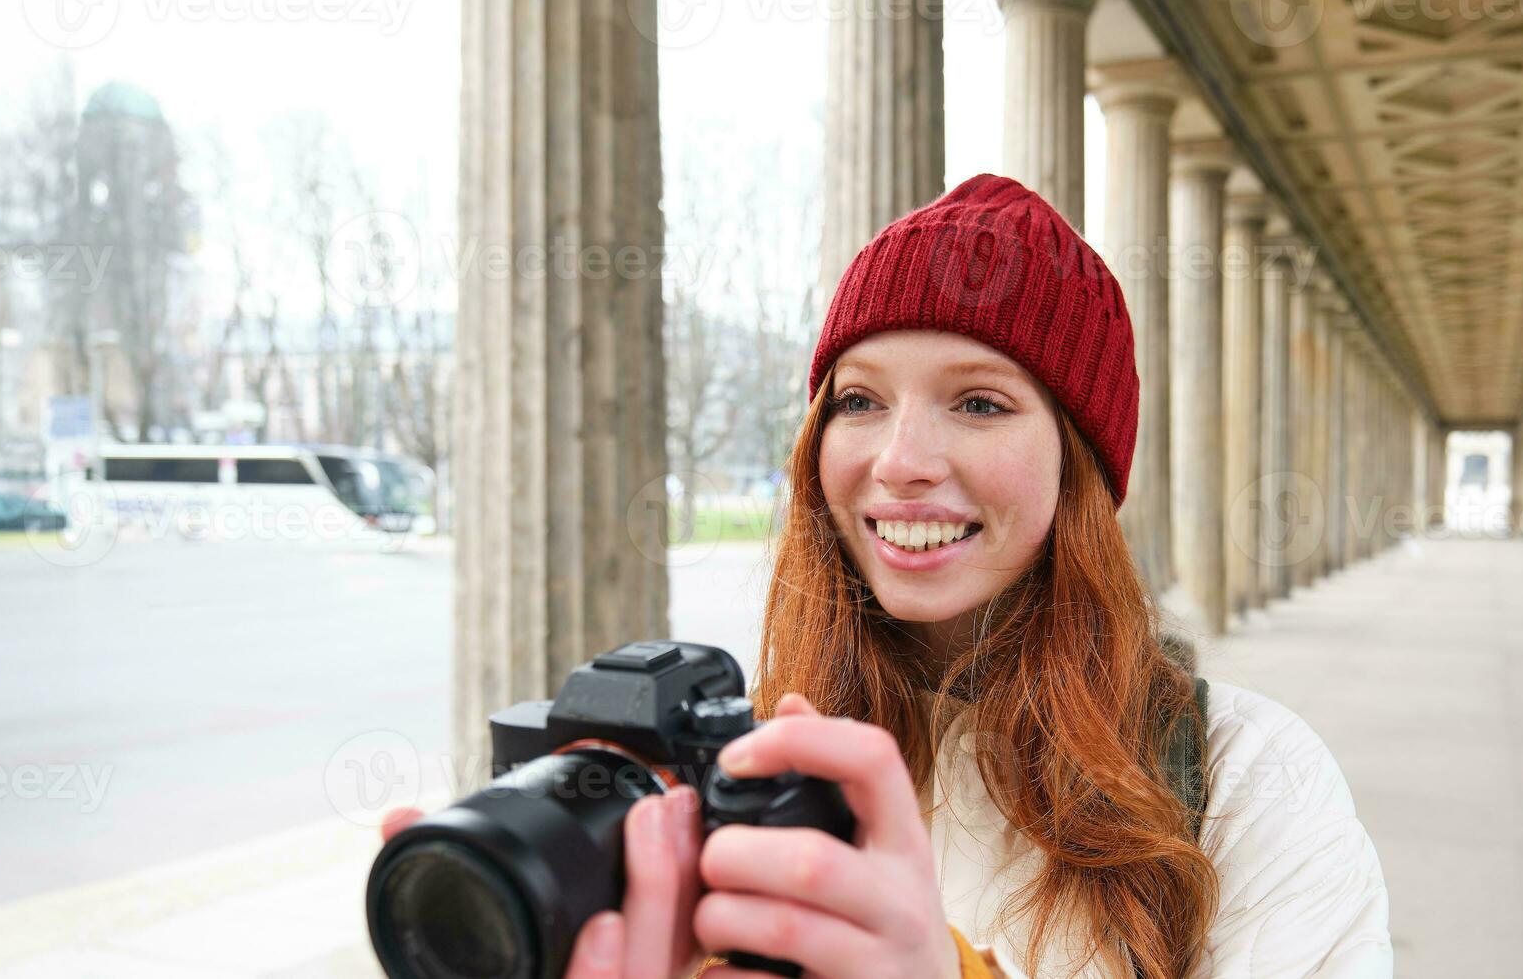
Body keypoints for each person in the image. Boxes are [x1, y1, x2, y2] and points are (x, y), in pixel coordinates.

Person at [392, 175, 1390, 979]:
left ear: (1078, 466)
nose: (901, 457)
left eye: (980, 403)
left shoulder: (1248, 778)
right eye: (859, 399)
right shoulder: (743, 765)